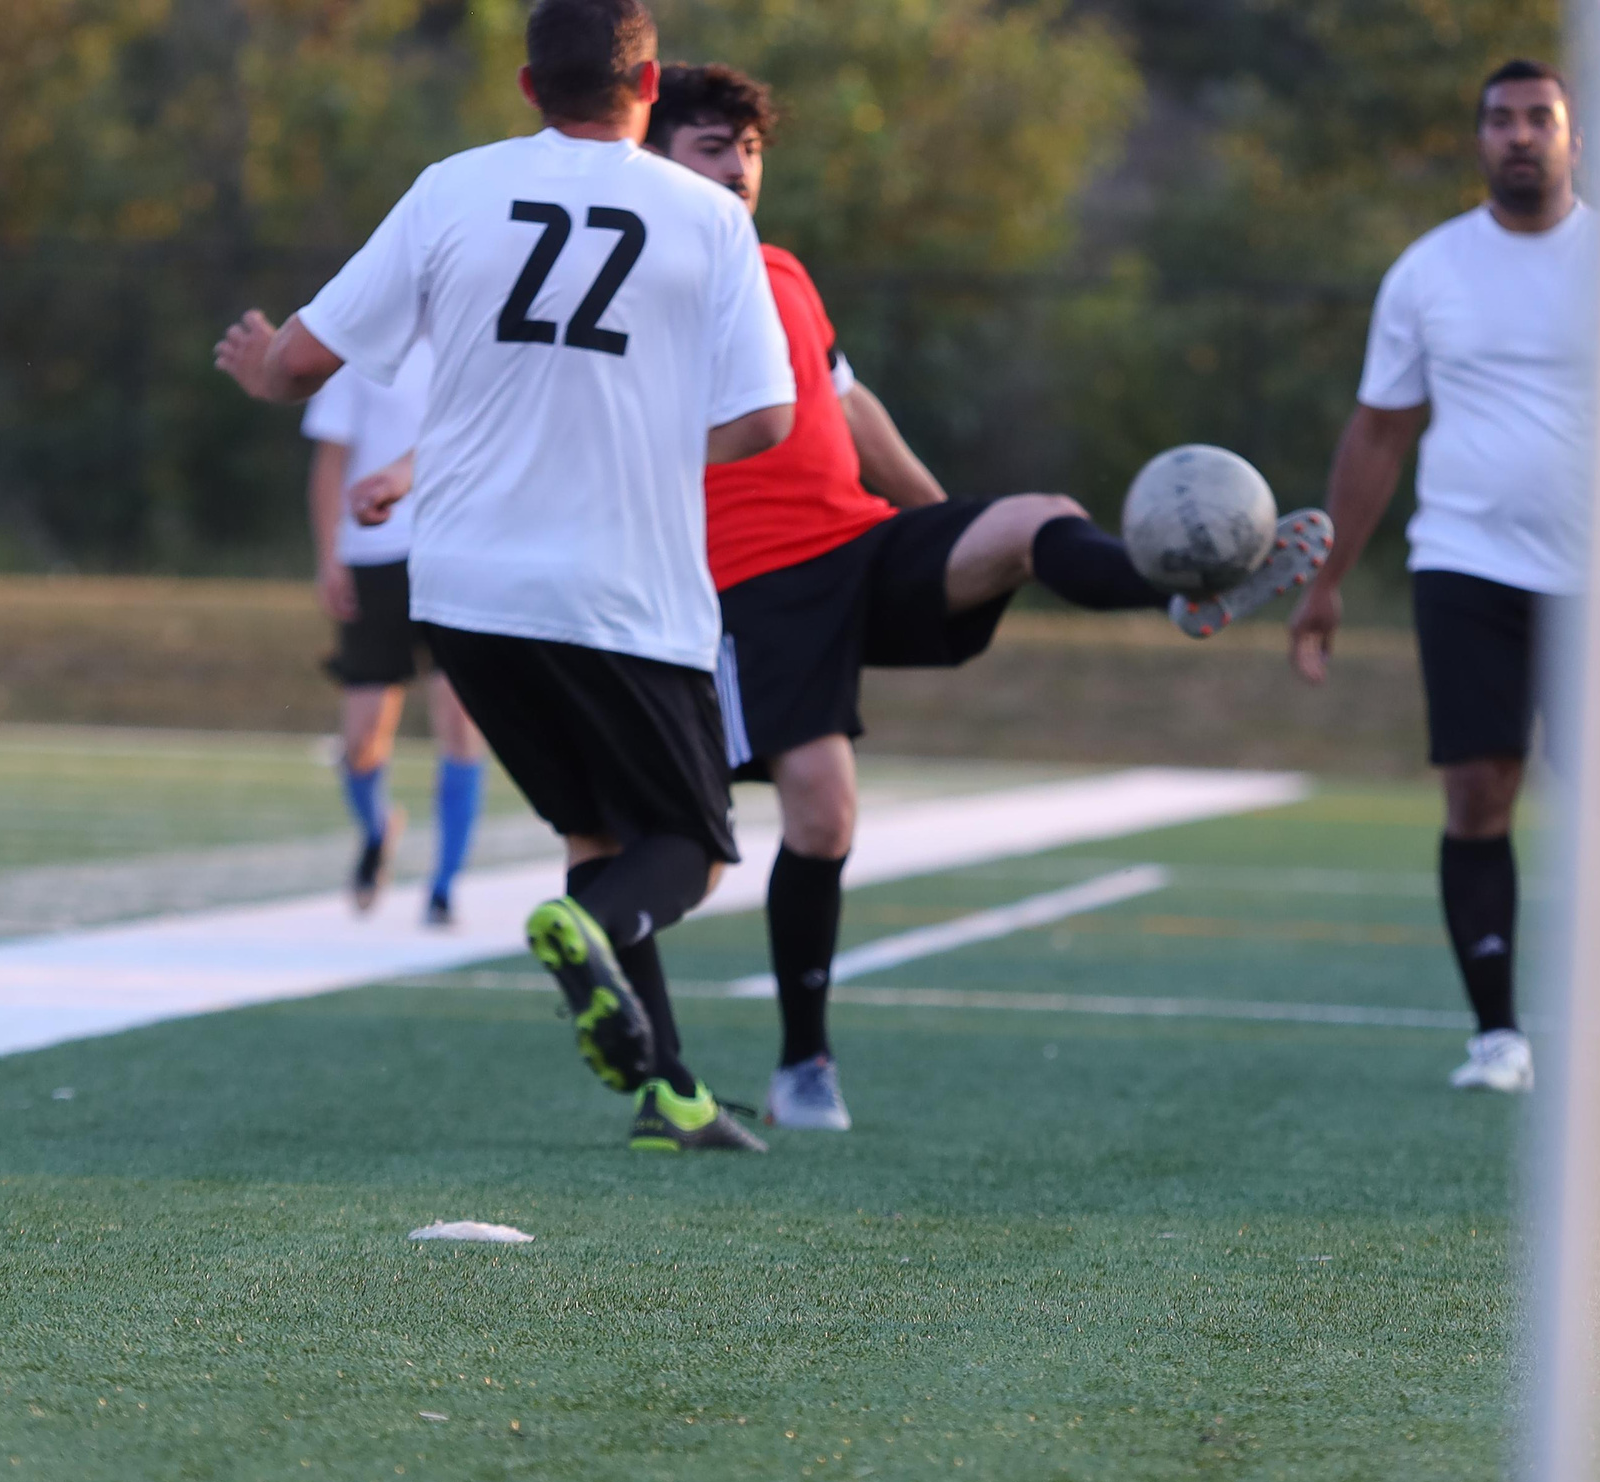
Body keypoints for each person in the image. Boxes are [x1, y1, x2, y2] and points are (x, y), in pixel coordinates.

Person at [358, 62, 1332, 1129]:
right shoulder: (651, 263)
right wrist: (409, 472)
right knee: (805, 813)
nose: (736, 171)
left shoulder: (775, 268)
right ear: (651, 154)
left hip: (857, 546)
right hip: (745, 589)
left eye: (749, 150)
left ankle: (1176, 584)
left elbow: (850, 409)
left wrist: (942, 523)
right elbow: (532, 399)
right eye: (710, 149)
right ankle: (777, 1069)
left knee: (1027, 517)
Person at [215, 0, 796, 1153]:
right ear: (653, 84)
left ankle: (667, 1092)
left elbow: (295, 368)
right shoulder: (707, 217)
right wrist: (649, 442)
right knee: (688, 853)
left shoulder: (452, 187)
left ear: (529, 88)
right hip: (623, 591)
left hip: (467, 592)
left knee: (596, 839)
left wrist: (255, 365)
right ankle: (595, 946)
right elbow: (768, 417)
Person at [1287, 58, 1600, 1095]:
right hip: (1464, 566)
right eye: (1500, 119)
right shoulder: (1426, 273)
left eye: (1540, 118)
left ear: (1575, 140)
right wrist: (1325, 581)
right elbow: (1376, 434)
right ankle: (1497, 1037)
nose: (1520, 135)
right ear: (1479, 140)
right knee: (1476, 791)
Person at [301, 345, 487, 926]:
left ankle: (444, 886)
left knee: (458, 720)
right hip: (372, 556)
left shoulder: (476, 337)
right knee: (360, 739)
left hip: (451, 550)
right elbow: (330, 461)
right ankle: (378, 829)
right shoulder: (364, 345)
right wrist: (329, 556)